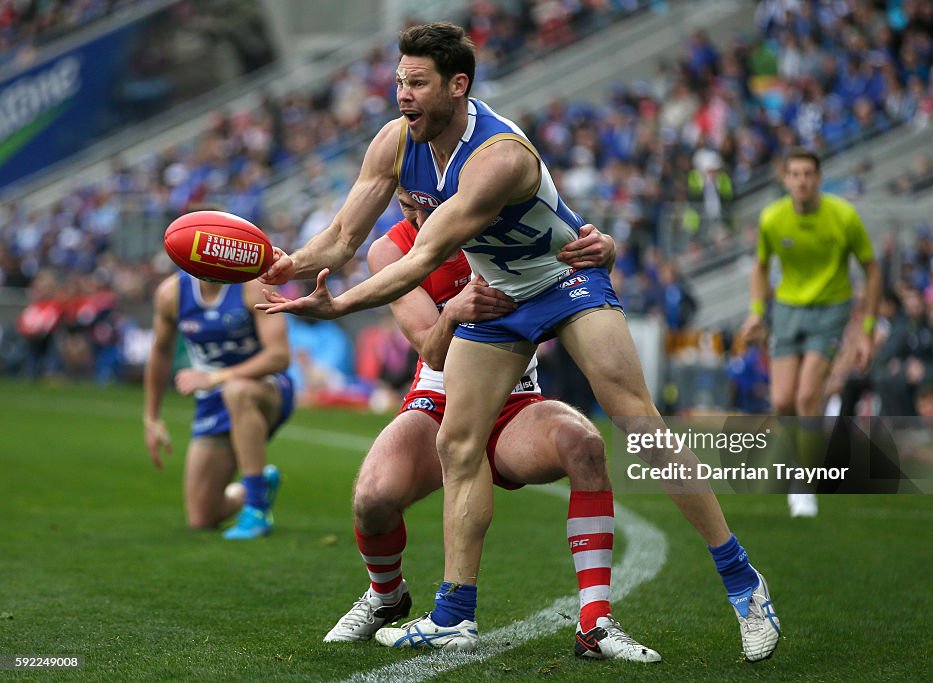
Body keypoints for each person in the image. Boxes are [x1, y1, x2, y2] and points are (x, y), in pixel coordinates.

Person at [258, 22, 779, 661]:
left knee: (638, 423)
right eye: (398, 81)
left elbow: (424, 255)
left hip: (563, 281)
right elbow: (341, 237)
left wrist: (338, 306)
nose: (402, 95)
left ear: (458, 85)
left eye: (417, 83)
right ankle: (454, 613)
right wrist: (292, 265)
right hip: (498, 294)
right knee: (457, 440)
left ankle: (742, 582)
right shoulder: (397, 142)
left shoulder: (500, 155)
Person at [322, 188, 658, 661]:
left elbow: (580, 240)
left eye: (427, 205)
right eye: (406, 206)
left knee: (584, 444)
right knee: (373, 498)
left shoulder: (507, 213)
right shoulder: (391, 249)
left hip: (513, 401)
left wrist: (607, 247)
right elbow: (431, 351)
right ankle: (386, 594)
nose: (418, 218)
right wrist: (455, 311)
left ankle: (595, 622)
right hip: (437, 399)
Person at [740, 147, 880, 518]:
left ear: (818, 179)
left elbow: (872, 268)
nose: (802, 180)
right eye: (795, 174)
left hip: (832, 309)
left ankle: (804, 481)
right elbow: (759, 266)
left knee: (806, 397)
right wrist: (756, 312)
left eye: (808, 174)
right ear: (785, 179)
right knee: (783, 402)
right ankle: (801, 457)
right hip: (787, 309)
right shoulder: (772, 219)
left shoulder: (843, 216)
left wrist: (866, 330)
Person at [143, 271, 294, 539]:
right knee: (202, 517)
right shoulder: (172, 293)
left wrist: (216, 377)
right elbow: (161, 351)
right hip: (212, 400)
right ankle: (255, 486)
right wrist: (151, 417)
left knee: (237, 391)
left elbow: (279, 356)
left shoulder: (252, 287)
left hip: (265, 388)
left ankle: (257, 511)